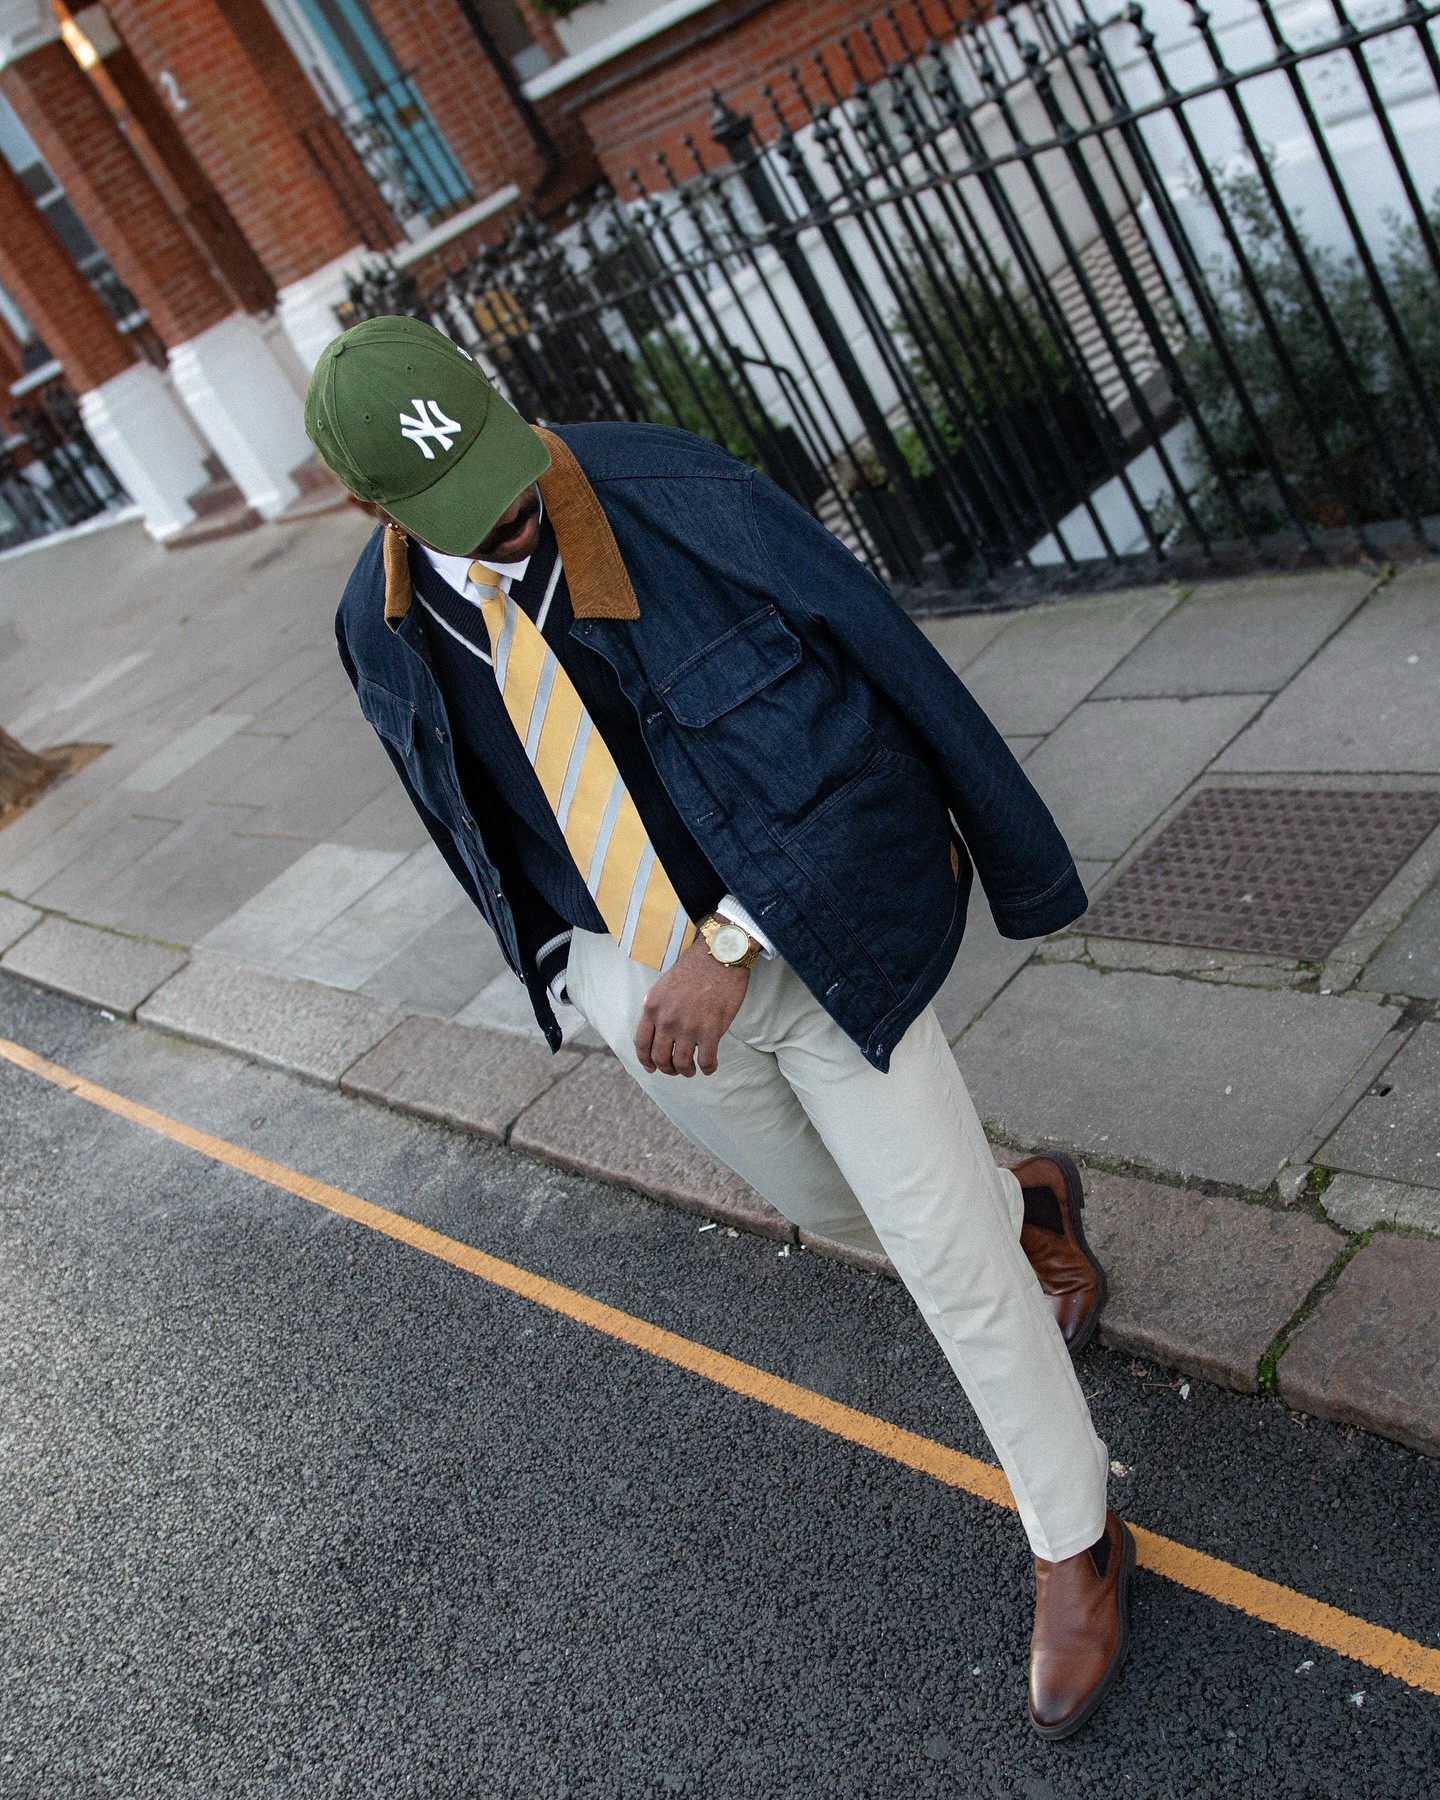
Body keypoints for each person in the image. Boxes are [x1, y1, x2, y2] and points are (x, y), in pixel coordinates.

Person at [306, 314, 1131, 1739]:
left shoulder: (675, 499)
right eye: (459, 508)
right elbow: (473, 816)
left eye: (506, 473)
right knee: (846, 1210)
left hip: (814, 924)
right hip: (645, 985)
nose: (511, 513)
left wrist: (735, 937)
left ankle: (1076, 1537)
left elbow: (882, 711)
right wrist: (590, 977)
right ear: (369, 510)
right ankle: (1026, 1204)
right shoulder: (374, 632)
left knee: (939, 1258)